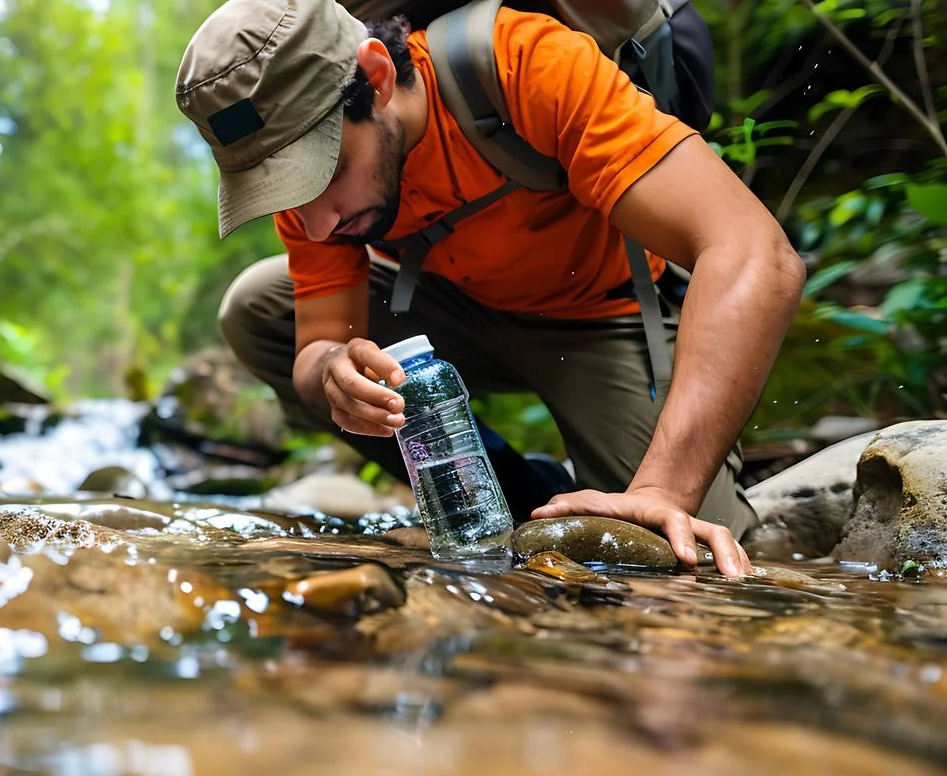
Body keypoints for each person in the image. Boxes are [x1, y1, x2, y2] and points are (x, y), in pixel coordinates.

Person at [174, 0, 806, 577]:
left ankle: (604, 489)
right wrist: (332, 370)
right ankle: (518, 501)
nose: (316, 222)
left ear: (376, 78)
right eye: (284, 190)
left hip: (600, 317)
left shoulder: (523, 62)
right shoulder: (315, 190)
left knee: (676, 559)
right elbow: (314, 347)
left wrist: (664, 488)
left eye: (325, 171)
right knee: (260, 305)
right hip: (443, 315)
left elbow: (755, 252)